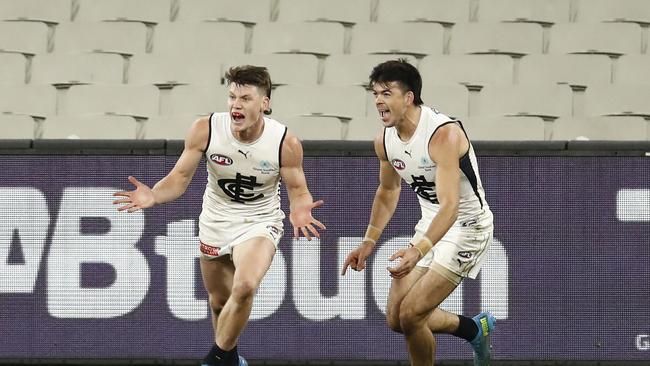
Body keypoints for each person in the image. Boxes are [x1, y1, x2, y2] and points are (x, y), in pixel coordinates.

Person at [113, 65, 325, 366]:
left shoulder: (284, 143)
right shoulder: (206, 129)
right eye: (232, 97)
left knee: (245, 285)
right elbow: (180, 179)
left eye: (246, 99)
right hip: (215, 221)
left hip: (259, 221)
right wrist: (155, 195)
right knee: (220, 302)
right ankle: (231, 359)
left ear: (264, 103)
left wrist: (300, 208)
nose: (236, 105)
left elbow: (298, 190)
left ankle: (214, 359)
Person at [341, 59, 495, 366]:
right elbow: (388, 191)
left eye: (386, 93)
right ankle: (474, 329)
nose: (378, 101)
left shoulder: (442, 134)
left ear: (408, 97)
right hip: (431, 224)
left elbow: (450, 206)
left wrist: (417, 249)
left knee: (412, 314)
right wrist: (369, 242)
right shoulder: (384, 140)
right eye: (375, 94)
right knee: (397, 319)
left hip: (468, 226)